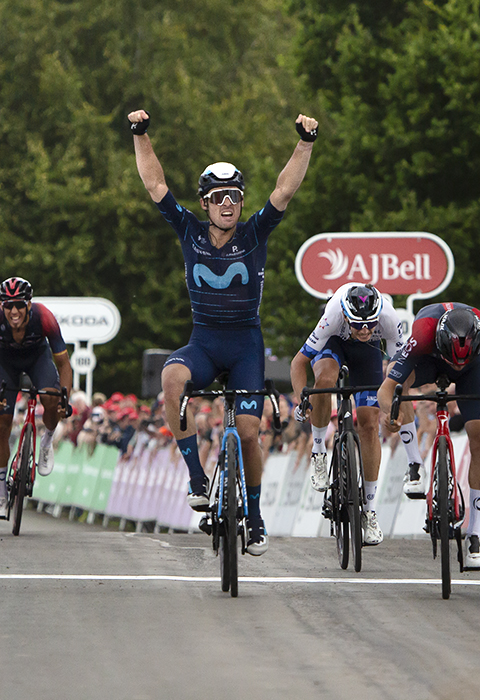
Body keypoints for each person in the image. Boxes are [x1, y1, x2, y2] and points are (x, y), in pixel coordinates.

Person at [128, 108, 318, 556]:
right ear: (205, 204)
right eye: (219, 198)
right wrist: (140, 134)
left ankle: (254, 517)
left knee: (249, 432)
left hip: (245, 347)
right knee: (171, 380)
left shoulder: (254, 232)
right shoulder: (188, 230)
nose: (228, 204)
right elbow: (156, 185)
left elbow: (284, 189)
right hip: (205, 343)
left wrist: (305, 142)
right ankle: (197, 478)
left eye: (234, 196)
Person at [377, 303, 480, 570]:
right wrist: (390, 414)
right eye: (453, 358)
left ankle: (475, 534)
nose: (455, 365)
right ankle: (415, 465)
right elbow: (387, 387)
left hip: (474, 368)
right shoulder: (424, 332)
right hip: (429, 360)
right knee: (399, 389)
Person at [290, 283, 404, 545]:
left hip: (368, 356)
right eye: (357, 325)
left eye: (369, 324)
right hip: (334, 345)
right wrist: (302, 399)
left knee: (368, 423)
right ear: (345, 315)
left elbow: (400, 370)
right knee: (326, 380)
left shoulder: (388, 317)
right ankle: (319, 451)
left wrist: (392, 407)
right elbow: (299, 362)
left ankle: (370, 512)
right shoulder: (332, 314)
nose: (364, 330)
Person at [0, 277, 73, 520]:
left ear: (29, 304)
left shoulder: (45, 318)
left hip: (37, 358)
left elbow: (63, 363)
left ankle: (46, 441)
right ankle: (1, 496)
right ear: (1, 306)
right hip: (6, 361)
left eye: (19, 304)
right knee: (1, 423)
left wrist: (64, 397)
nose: (14, 311)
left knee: (51, 399)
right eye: (7, 306)